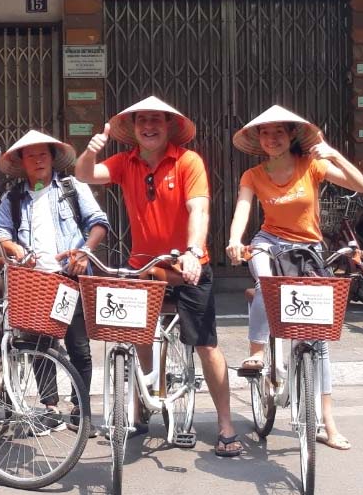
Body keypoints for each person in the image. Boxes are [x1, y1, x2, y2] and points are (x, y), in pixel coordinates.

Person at [75, 96, 243, 457]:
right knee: (136, 332)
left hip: (185, 266)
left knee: (205, 343)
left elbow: (198, 208)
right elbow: (85, 175)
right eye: (142, 121)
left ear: (169, 127)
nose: (149, 126)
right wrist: (90, 150)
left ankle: (226, 422)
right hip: (142, 265)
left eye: (156, 121)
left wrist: (194, 250)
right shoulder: (125, 162)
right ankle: (144, 403)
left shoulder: (188, 161)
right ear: (133, 129)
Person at [225, 105, 363, 451]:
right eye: (265, 133)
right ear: (258, 139)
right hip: (269, 242)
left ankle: (327, 423)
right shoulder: (253, 175)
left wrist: (333, 153)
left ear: (291, 136)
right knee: (264, 280)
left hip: (308, 248)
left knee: (318, 342)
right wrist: (234, 239)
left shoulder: (312, 165)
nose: (272, 138)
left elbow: (360, 185)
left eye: (279, 132)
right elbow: (243, 208)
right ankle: (258, 351)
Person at [0, 129, 109, 436]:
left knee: (78, 347)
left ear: (52, 158)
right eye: (31, 155)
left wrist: (85, 251)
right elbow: (0, 233)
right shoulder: (12, 198)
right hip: (34, 282)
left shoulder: (71, 188)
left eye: (43, 153)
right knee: (38, 346)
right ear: (22, 161)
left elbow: (99, 222)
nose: (39, 160)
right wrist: (15, 249)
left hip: (70, 280)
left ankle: (80, 410)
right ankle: (49, 408)